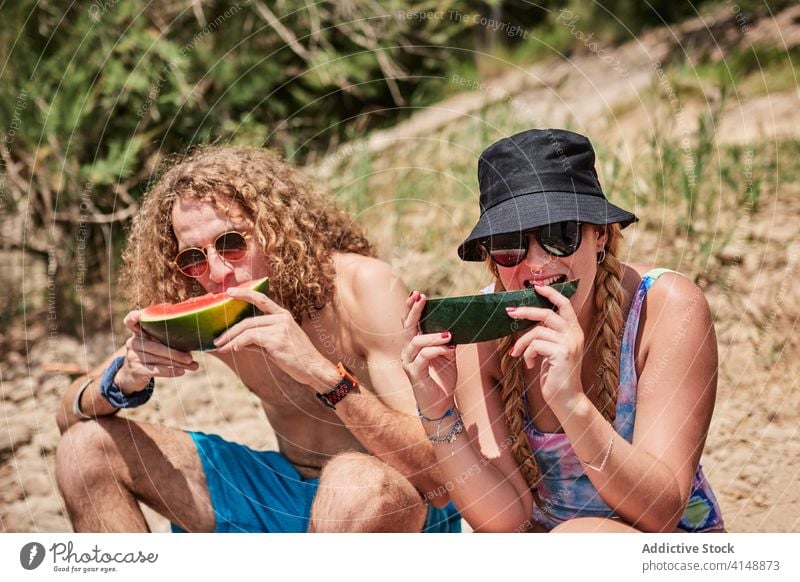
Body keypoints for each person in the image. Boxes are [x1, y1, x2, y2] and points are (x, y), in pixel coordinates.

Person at [55, 146, 460, 533]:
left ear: (274, 228)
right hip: (283, 497)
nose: (216, 272)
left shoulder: (361, 289)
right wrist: (121, 380)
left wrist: (321, 374)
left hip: (394, 504)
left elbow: (438, 473)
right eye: (192, 257)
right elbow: (67, 416)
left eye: (231, 243)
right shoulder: (208, 311)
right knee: (83, 450)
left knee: (352, 480)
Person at [401, 129, 724, 532]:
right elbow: (503, 522)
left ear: (600, 234)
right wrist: (438, 413)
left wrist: (571, 403)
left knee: (580, 537)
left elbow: (660, 513)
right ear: (490, 258)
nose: (536, 264)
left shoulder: (667, 308)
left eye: (559, 236)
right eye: (510, 242)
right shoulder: (484, 328)